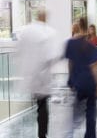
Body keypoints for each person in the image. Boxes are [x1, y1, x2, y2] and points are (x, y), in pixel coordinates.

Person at [17, 9, 58, 138]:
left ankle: (41, 132)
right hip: (42, 76)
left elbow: (20, 51)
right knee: (42, 106)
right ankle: (42, 133)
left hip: (31, 75)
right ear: (45, 17)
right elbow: (51, 56)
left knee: (39, 105)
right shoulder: (49, 33)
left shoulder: (26, 31)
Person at [65, 17, 97, 138]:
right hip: (89, 83)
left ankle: (69, 133)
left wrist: (70, 80)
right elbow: (95, 67)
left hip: (77, 82)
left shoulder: (70, 43)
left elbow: (70, 63)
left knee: (74, 115)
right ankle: (90, 135)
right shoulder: (91, 46)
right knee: (91, 113)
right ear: (87, 28)